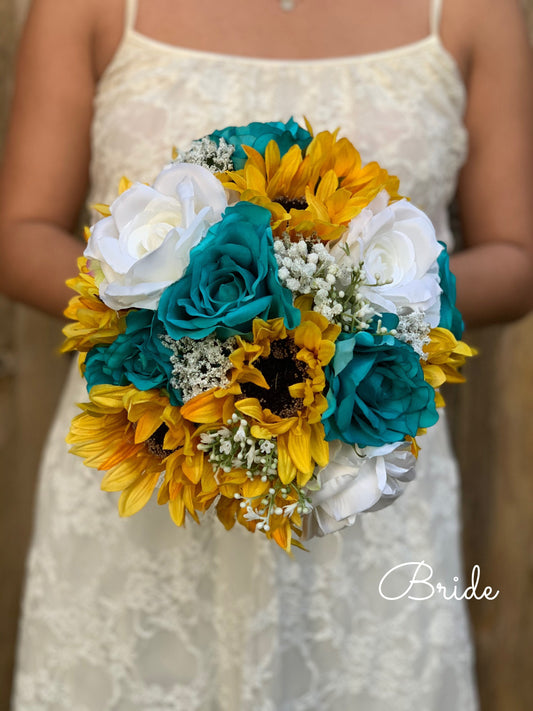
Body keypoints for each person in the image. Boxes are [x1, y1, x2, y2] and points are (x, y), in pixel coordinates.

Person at [1, 0, 531, 709]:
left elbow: (516, 256)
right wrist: (177, 330)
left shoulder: (472, 13)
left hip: (366, 475)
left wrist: (355, 309)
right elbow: (21, 230)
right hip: (151, 461)